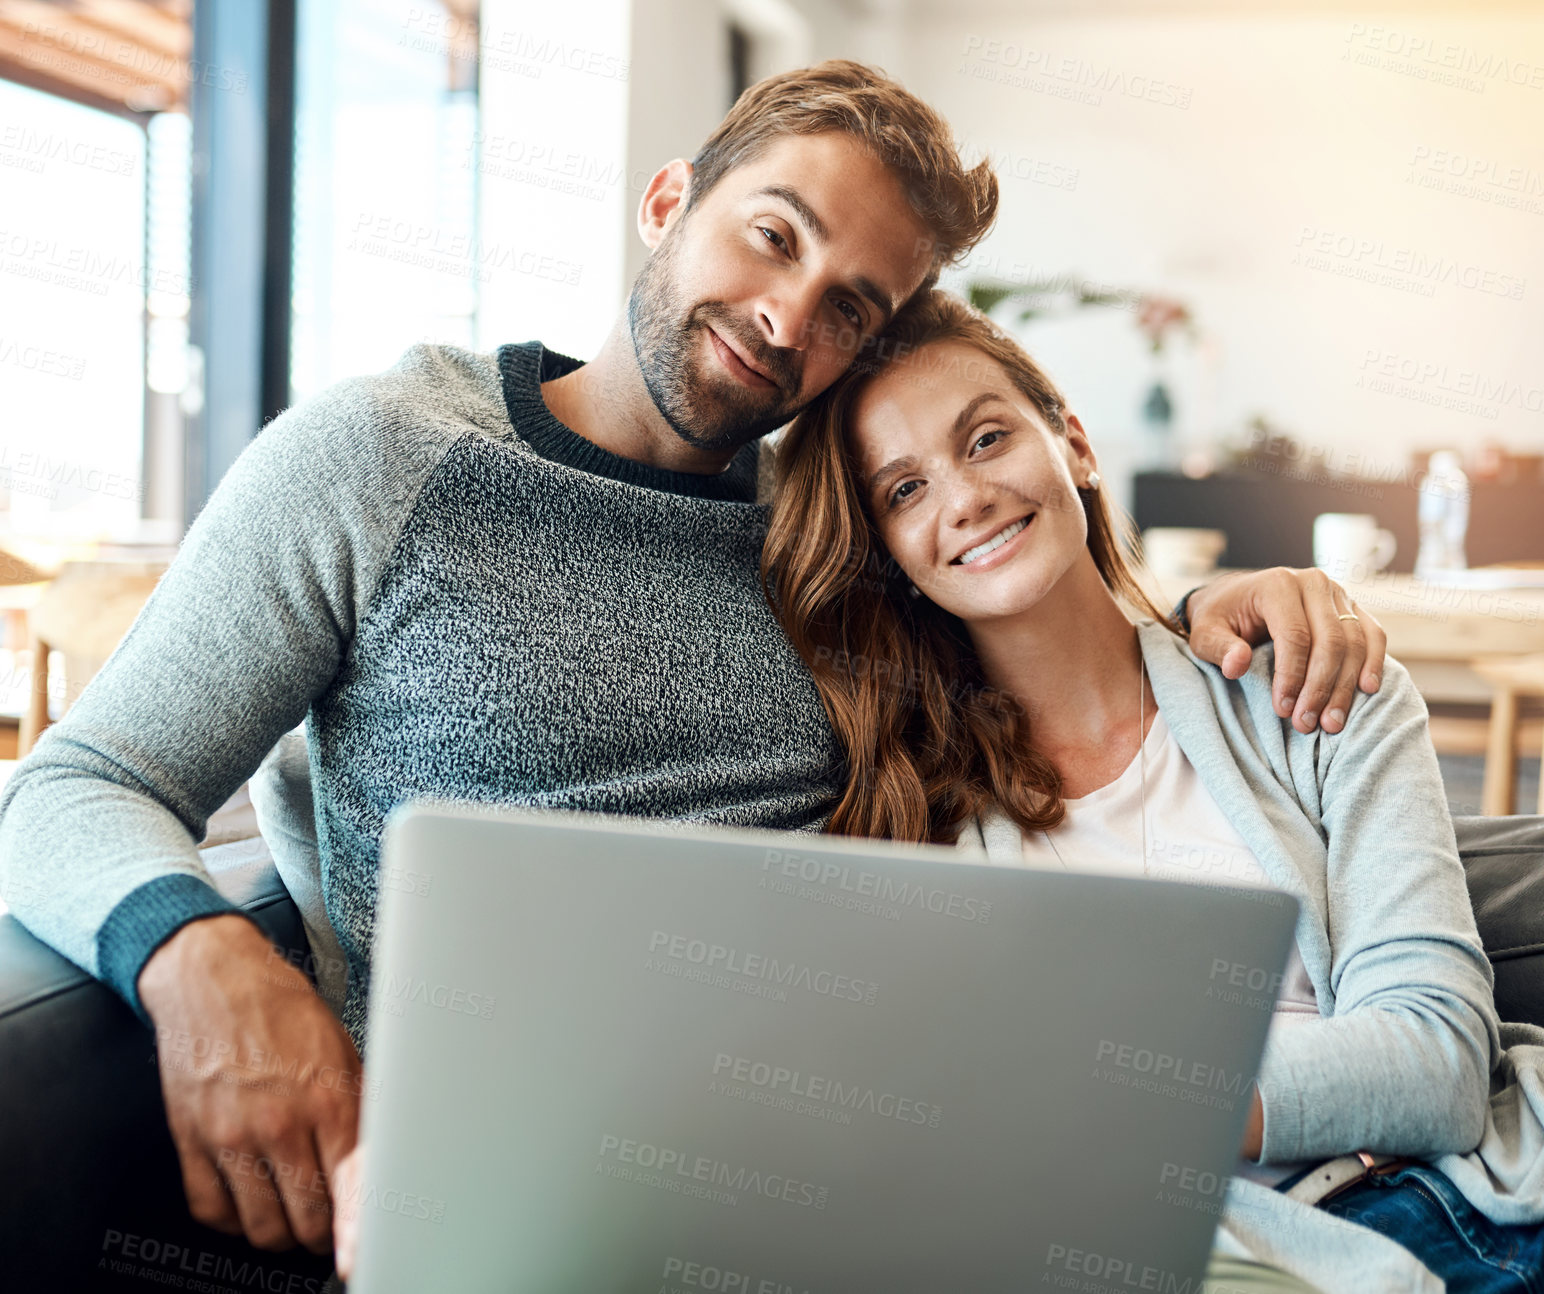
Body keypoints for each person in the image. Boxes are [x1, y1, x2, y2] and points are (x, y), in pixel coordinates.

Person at [0, 62, 1386, 1275]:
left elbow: (1037, 619)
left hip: (853, 1184)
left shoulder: (835, 530)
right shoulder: (379, 457)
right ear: (669, 200)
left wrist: (1225, 607)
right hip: (503, 1208)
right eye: (771, 237)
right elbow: (76, 782)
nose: (787, 319)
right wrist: (202, 958)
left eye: (849, 306)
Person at [760, 286, 1544, 1293]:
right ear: (891, 556)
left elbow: (1435, 1064)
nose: (962, 498)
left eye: (986, 438)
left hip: (1478, 1203)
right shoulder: (915, 821)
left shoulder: (1311, 688)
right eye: (903, 490)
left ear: (1074, 445)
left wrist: (1132, 1099)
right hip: (1246, 1258)